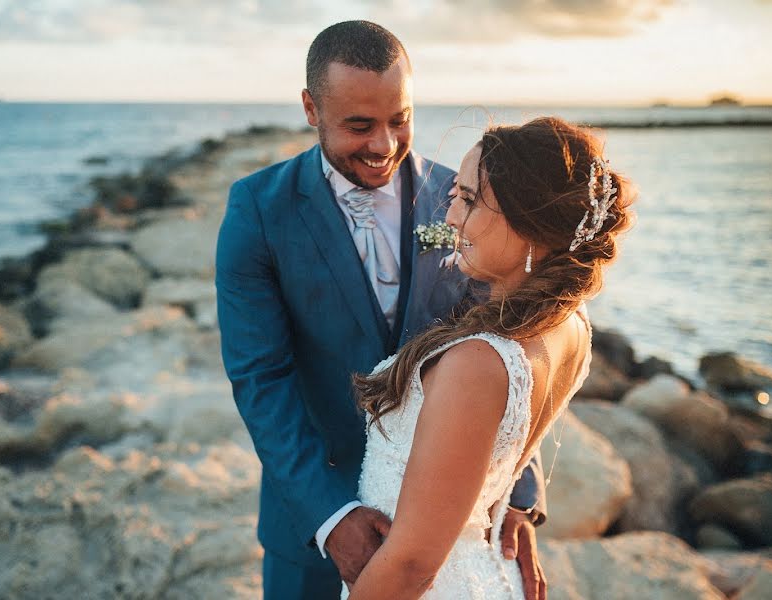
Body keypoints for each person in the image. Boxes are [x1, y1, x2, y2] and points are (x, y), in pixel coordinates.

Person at [216, 20, 548, 600]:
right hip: (311, 528)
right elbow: (259, 378)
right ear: (311, 108)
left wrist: (516, 499)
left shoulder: (461, 200)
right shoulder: (257, 209)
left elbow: (510, 349)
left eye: (401, 120)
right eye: (360, 126)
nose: (385, 146)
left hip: (452, 522)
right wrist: (330, 515)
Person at [344, 118, 635, 598]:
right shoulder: (571, 324)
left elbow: (412, 563)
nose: (450, 218)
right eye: (455, 196)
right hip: (481, 568)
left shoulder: (476, 365)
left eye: (469, 200)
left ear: (531, 225)